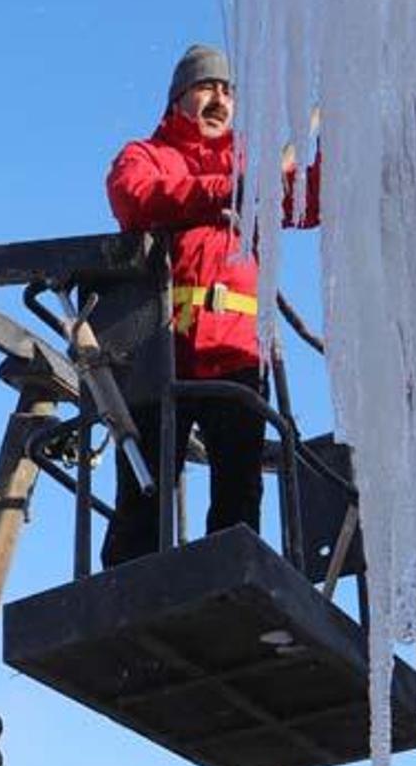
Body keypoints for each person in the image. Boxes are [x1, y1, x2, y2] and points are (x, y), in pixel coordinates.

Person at [102, 44, 319, 567]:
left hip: (236, 352)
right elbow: (135, 198)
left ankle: (230, 597)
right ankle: (130, 598)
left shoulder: (254, 163)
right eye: (206, 87)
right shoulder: (147, 154)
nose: (219, 98)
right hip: (161, 350)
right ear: (178, 99)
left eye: (227, 90)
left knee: (239, 491)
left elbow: (309, 200)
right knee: (145, 491)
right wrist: (233, 189)